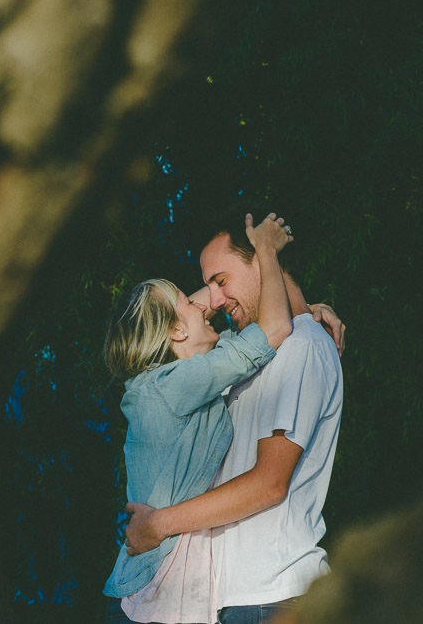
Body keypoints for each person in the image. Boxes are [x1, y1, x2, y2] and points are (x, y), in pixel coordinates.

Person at [122, 214, 344, 624]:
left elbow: (268, 484)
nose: (215, 300)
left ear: (262, 260)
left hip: (272, 594)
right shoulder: (238, 356)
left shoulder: (302, 347)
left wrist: (158, 525)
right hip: (228, 599)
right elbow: (171, 320)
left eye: (220, 281)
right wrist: (299, 301)